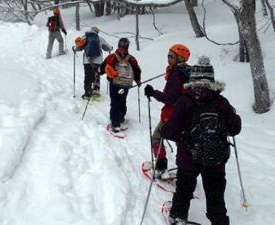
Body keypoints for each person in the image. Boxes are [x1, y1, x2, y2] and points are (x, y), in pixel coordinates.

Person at [160, 56, 242, 225]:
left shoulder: (185, 101)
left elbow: (172, 132)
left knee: (184, 189)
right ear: (212, 79)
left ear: (193, 78)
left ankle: (178, 217)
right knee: (216, 196)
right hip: (216, 159)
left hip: (188, 158)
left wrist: (165, 129)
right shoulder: (221, 102)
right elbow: (235, 128)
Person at [144, 44, 191, 178]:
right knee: (181, 142)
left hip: (172, 115)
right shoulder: (188, 71)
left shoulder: (177, 75)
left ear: (180, 58)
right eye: (168, 56)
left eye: (172, 57)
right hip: (186, 114)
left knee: (157, 137)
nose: (169, 59)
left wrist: (153, 93)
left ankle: (160, 168)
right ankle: (185, 172)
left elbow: (171, 99)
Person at [98, 38, 141, 132]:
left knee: (115, 101)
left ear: (118, 45)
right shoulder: (131, 58)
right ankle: (121, 117)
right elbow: (137, 70)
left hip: (114, 83)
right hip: (125, 84)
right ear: (127, 46)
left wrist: (98, 73)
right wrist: (138, 81)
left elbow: (103, 67)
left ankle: (115, 122)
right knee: (122, 99)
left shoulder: (112, 57)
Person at [73, 26, 112, 101]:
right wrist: (111, 48)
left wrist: (74, 48)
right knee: (96, 76)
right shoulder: (100, 39)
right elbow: (108, 48)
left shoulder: (85, 38)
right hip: (98, 61)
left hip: (87, 61)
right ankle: (96, 93)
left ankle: (87, 93)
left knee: (87, 77)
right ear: (97, 32)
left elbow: (77, 48)